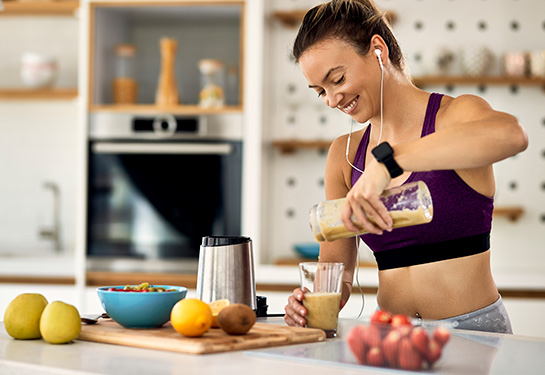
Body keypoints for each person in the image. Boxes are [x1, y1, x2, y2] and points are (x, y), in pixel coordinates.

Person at [283, 0, 528, 334]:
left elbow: (511, 134)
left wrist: (389, 163)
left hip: (475, 334)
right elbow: (336, 272)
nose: (332, 99)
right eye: (320, 91)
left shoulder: (453, 117)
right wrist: (312, 301)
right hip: (392, 336)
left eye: (337, 79)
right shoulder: (345, 154)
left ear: (378, 49)